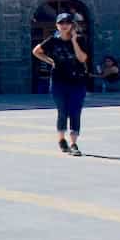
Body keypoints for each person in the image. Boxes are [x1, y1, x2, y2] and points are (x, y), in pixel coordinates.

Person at [32, 12, 90, 155]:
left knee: (75, 112)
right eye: (61, 23)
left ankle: (74, 144)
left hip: (77, 81)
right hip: (59, 81)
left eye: (67, 23)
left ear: (72, 25)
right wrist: (50, 61)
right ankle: (61, 139)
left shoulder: (81, 40)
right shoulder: (53, 40)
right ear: (57, 25)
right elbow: (36, 51)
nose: (64, 26)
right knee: (62, 111)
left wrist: (75, 41)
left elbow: (82, 59)